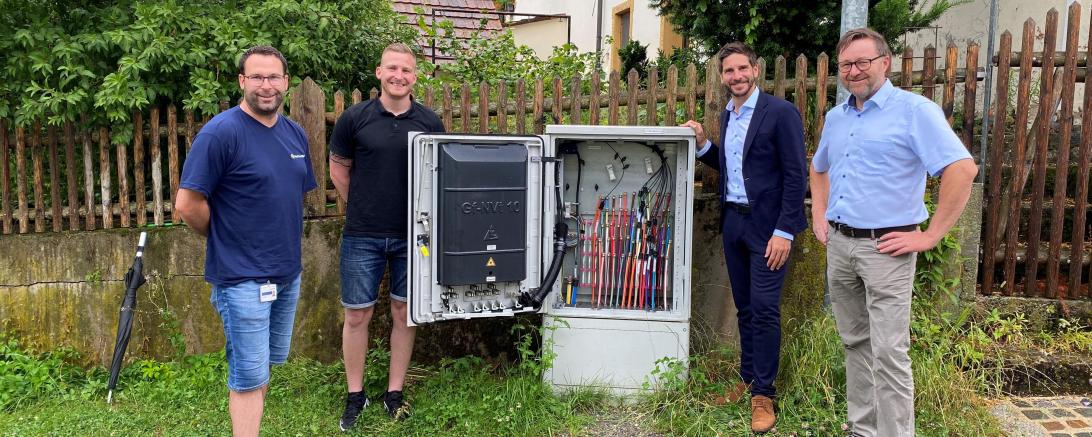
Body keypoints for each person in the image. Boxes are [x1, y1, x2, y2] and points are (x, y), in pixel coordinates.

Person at [810, 28, 977, 437]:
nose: (854, 71)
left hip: (887, 249)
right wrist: (819, 214)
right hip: (841, 245)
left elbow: (962, 169)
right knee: (855, 343)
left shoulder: (914, 111)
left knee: (889, 353)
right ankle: (863, 429)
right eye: (847, 64)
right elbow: (819, 168)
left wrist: (930, 235)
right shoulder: (837, 116)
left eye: (863, 62)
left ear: (885, 62)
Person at [175, 45, 317, 437]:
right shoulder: (221, 133)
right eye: (256, 77)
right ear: (242, 82)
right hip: (242, 278)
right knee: (248, 376)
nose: (265, 85)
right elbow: (188, 204)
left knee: (263, 368)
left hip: (287, 274)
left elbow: (289, 197)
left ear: (286, 83)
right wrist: (222, 236)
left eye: (273, 77)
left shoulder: (295, 134)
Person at [683, 41, 807, 434]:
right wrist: (703, 143)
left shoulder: (780, 113)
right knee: (746, 308)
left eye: (741, 69)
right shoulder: (730, 115)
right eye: (728, 71)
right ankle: (748, 379)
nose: (735, 77)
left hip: (769, 228)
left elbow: (795, 177)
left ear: (755, 70)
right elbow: (732, 165)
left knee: (766, 309)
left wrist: (784, 231)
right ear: (723, 77)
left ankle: (764, 396)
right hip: (734, 223)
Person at [329, 42, 445, 430]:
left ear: (415, 77)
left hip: (415, 235)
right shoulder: (354, 118)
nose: (399, 76)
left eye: (407, 70)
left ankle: (394, 393)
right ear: (379, 72)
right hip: (362, 233)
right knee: (357, 314)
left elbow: (439, 177)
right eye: (392, 68)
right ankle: (355, 395)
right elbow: (338, 170)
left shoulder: (430, 123)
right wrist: (362, 204)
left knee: (404, 313)